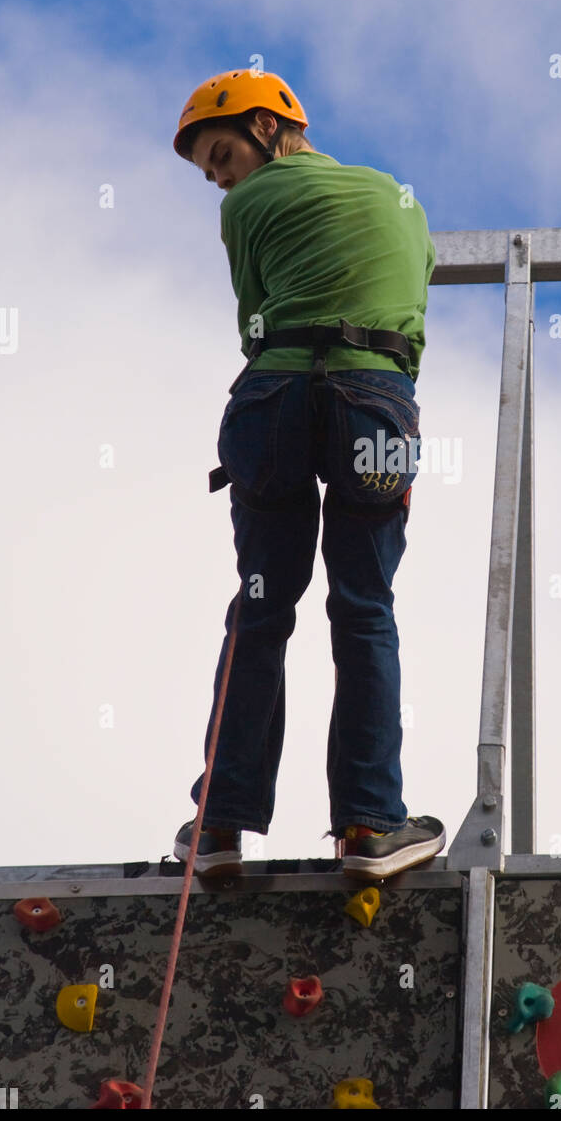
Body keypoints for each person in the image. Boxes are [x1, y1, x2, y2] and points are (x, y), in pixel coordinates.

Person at [169, 67, 445, 881]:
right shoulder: (401, 200)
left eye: (220, 154)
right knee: (364, 606)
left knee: (261, 607)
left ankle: (217, 826)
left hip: (273, 398)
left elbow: (254, 318)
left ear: (264, 129)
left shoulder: (244, 209)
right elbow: (417, 292)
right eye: (209, 170)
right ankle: (368, 827)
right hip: (377, 400)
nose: (217, 177)